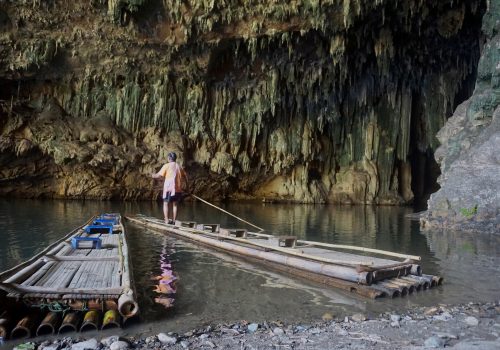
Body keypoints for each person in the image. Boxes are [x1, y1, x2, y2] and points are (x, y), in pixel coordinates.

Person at [152, 152, 188, 224]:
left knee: (165, 203)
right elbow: (186, 177)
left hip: (169, 189)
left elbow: (158, 176)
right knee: (175, 205)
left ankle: (167, 220)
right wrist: (188, 187)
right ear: (175, 158)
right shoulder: (179, 166)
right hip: (178, 189)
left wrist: (152, 175)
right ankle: (174, 221)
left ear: (169, 158)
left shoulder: (167, 166)